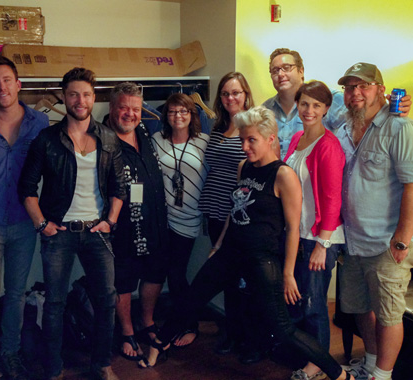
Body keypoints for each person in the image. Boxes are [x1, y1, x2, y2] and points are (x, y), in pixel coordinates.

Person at [145, 106, 355, 380]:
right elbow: (235, 213)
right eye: (242, 139)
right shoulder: (244, 167)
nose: (244, 146)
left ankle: (339, 375)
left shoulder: (283, 175)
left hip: (262, 258)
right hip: (231, 252)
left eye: (251, 140)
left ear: (269, 138)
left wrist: (288, 273)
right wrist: (217, 246)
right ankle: (158, 345)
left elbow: (292, 229)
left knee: (282, 328)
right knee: (189, 300)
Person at [18, 67, 126, 380]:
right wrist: (41, 224)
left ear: (95, 98)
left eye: (87, 94)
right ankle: (53, 369)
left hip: (97, 232)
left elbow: (119, 187)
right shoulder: (47, 139)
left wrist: (110, 221)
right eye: (74, 94)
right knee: (54, 303)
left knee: (106, 300)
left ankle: (101, 364)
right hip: (59, 233)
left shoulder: (107, 137)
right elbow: (26, 188)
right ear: (64, 97)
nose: (80, 100)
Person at [0, 56, 49, 379]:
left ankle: (10, 352)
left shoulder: (40, 123)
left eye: (6, 80)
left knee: (16, 292)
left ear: (18, 84)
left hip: (23, 221)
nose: (1, 87)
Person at [336, 62, 413, 380]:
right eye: (349, 87)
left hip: (385, 242)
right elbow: (311, 102)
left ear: (381, 89)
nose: (355, 93)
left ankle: (382, 375)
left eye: (363, 86)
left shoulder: (399, 128)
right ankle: (369, 363)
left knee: (389, 313)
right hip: (352, 240)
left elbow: (411, 184)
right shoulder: (342, 125)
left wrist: (403, 236)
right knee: (359, 308)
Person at [283, 81, 346, 380]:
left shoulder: (329, 145)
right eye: (304, 103)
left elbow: (333, 198)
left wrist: (323, 243)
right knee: (297, 299)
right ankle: (306, 353)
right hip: (296, 234)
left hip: (317, 238)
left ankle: (320, 363)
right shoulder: (296, 138)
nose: (309, 110)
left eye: (316, 105)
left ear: (326, 109)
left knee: (314, 304)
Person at [105, 82, 169, 366]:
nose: (130, 114)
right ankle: (127, 332)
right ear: (111, 108)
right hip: (123, 225)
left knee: (155, 274)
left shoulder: (145, 131)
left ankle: (147, 322)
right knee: (124, 280)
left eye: (136, 108)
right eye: (124, 108)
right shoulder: (101, 138)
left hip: (154, 221)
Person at [198, 72, 260, 361]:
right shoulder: (217, 126)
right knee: (227, 277)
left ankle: (249, 338)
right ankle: (232, 332)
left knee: (243, 278)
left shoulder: (255, 127)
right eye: (225, 93)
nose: (230, 98)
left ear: (246, 94)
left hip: (239, 214)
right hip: (215, 209)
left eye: (236, 93)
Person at [262, 48, 411, 159]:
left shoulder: (329, 98)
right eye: (275, 70)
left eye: (287, 68)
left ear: (301, 71)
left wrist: (390, 104)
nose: (280, 74)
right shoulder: (265, 109)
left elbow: (361, 108)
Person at [151, 93, 209, 348]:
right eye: (173, 111)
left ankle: (188, 323)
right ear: (166, 116)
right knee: (169, 273)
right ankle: (184, 322)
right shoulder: (157, 141)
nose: (178, 116)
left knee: (176, 274)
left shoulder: (204, 142)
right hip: (164, 219)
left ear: (192, 115)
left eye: (183, 111)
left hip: (190, 218)